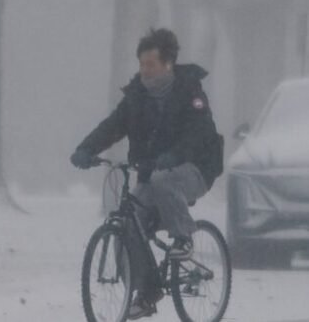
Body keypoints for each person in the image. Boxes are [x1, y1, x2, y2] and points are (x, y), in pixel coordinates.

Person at [70, 28, 223, 319]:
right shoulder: (136, 96)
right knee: (128, 222)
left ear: (168, 63)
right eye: (141, 64)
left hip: (194, 169)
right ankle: (146, 291)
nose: (144, 70)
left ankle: (184, 238)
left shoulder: (189, 90)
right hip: (152, 172)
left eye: (150, 64)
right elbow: (112, 126)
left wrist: (175, 156)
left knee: (163, 180)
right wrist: (86, 149)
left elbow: (199, 132)